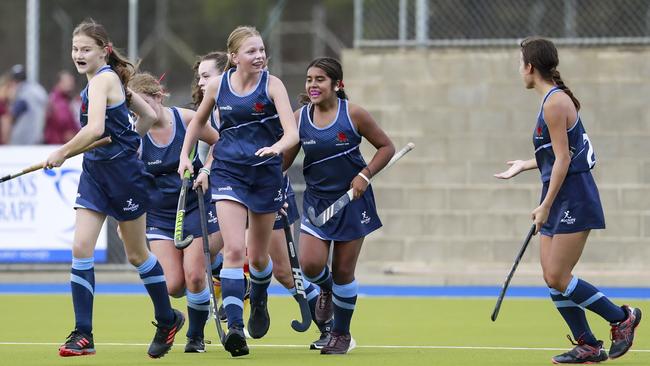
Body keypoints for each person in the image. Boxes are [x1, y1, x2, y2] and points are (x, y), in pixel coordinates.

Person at [494, 37, 641, 364]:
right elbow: (561, 155)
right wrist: (526, 164)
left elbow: (563, 160)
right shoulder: (550, 101)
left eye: (521, 63)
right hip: (560, 194)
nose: (519, 70)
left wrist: (545, 205)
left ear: (530, 67)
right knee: (551, 275)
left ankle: (621, 318)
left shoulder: (554, 103)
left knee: (559, 276)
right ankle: (588, 344)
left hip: (572, 196)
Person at [44, 19, 184, 359]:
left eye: (85, 49)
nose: (78, 55)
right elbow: (148, 115)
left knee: (137, 254)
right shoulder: (105, 81)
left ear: (103, 51)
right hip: (95, 174)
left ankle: (167, 319)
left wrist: (62, 151)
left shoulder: (104, 80)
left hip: (124, 177)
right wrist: (130, 136)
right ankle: (83, 334)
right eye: (75, 49)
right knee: (80, 246)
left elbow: (94, 130)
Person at [178, 26, 299, 357]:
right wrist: (184, 157)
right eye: (251, 51)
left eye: (261, 50)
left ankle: (259, 298)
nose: (259, 56)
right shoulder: (217, 86)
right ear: (234, 57)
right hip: (229, 172)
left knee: (259, 259)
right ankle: (235, 329)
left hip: (265, 177)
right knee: (234, 251)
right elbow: (196, 125)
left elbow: (291, 133)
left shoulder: (273, 85)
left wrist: (277, 148)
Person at [283, 57, 395, 355]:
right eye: (309, 79)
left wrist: (365, 174)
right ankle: (325, 288)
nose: (313, 85)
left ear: (337, 84)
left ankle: (341, 334)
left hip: (352, 201)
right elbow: (282, 162)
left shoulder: (354, 114)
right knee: (310, 264)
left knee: (344, 271)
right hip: (316, 202)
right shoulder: (299, 118)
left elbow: (387, 147)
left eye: (320, 79)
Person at [129, 72, 220, 353]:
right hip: (160, 215)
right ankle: (180, 315)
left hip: (195, 206)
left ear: (159, 97)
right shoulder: (136, 135)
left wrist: (204, 168)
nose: (139, 113)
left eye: (144, 104)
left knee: (194, 276)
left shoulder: (186, 119)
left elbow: (219, 142)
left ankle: (195, 336)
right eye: (133, 108)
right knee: (172, 285)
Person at [1, 64, 47, 144]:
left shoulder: (23, 94)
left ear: (14, 80)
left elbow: (10, 117)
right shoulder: (38, 90)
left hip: (22, 140)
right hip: (37, 137)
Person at [44, 70, 81, 144]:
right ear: (59, 83)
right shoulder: (58, 101)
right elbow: (67, 130)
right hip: (59, 144)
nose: (71, 84)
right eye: (68, 81)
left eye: (72, 81)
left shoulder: (64, 99)